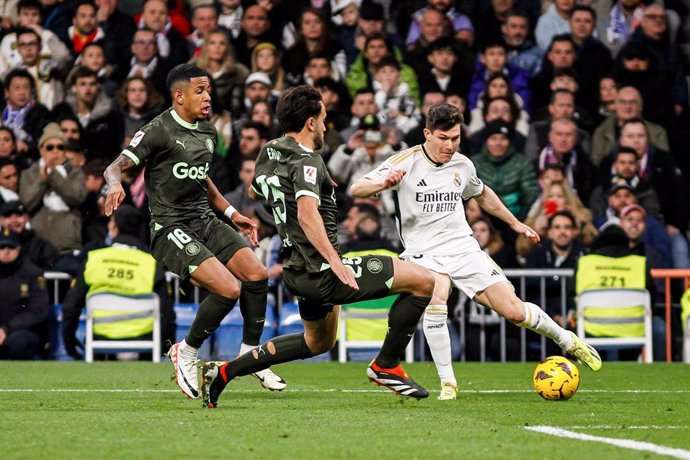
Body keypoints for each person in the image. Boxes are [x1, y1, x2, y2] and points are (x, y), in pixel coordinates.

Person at [200, 85, 436, 408]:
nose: (325, 126)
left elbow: (256, 192)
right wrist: (334, 261)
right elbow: (308, 213)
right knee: (424, 281)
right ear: (311, 123)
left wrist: (317, 186)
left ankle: (225, 372)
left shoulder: (269, 151)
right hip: (323, 270)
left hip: (296, 271)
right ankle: (386, 364)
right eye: (323, 119)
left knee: (318, 342)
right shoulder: (307, 160)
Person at [350, 103, 602, 400]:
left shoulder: (463, 164)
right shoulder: (406, 161)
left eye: (455, 138)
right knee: (437, 294)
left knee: (514, 310)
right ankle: (448, 383)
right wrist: (383, 181)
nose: (450, 145)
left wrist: (515, 223)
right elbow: (357, 188)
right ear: (427, 134)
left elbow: (482, 194)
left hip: (463, 247)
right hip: (423, 252)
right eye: (443, 138)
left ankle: (568, 340)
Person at [103, 63, 285, 399]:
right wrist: (114, 184)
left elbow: (201, 179)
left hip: (204, 219)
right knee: (229, 289)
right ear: (179, 96)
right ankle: (185, 351)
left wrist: (233, 213)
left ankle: (249, 355)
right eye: (199, 91)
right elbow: (115, 165)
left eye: (208, 90)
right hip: (170, 225)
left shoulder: (208, 132)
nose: (207, 97)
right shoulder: (157, 130)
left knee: (257, 275)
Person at [61, 204, 174, 360]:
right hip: (144, 341)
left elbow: (71, 307)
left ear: (114, 227)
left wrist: (70, 342)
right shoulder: (152, 264)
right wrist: (165, 347)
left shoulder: (94, 259)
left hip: (100, 340)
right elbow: (166, 313)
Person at [0, 230, 50, 360]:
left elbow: (39, 311)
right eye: (2, 247)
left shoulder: (33, 273)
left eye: (11, 247)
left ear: (19, 248)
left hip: (23, 330)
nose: (6, 251)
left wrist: (6, 329)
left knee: (18, 342)